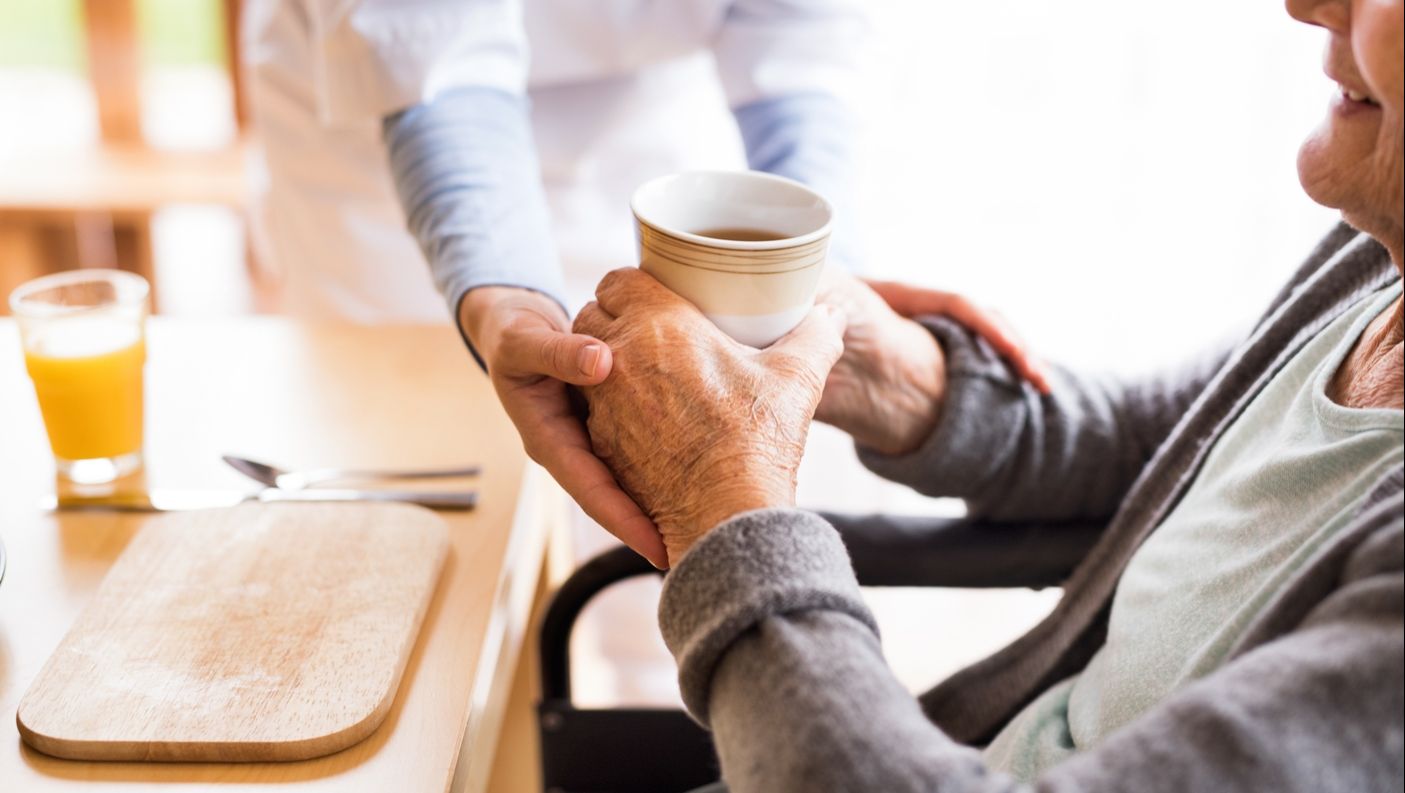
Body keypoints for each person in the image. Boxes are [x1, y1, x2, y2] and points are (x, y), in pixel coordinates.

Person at [575, 0, 1404, 789]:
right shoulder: (1376, 253)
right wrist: (895, 373)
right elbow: (1158, 446)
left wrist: (722, 497)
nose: (1305, 5)